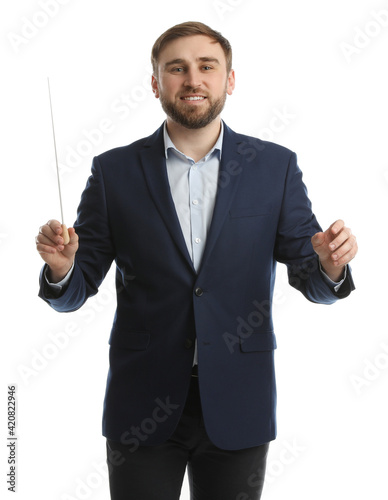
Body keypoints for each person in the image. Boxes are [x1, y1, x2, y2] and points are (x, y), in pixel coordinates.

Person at [36, 21, 358, 500]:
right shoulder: (113, 171)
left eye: (207, 67)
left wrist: (331, 265)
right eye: (177, 68)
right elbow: (77, 290)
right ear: (155, 82)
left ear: (229, 80)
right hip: (140, 401)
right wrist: (62, 270)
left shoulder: (275, 167)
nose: (193, 79)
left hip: (239, 400)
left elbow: (309, 274)